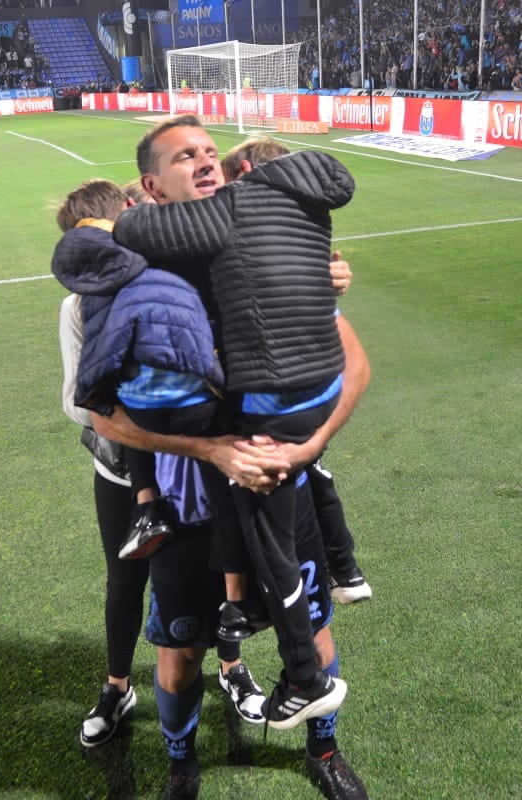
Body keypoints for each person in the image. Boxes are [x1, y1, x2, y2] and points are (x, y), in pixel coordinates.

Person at [93, 116, 371, 799]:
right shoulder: (124, 282)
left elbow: (357, 365)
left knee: (309, 626)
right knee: (182, 649)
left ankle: (324, 749)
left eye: (212, 151)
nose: (208, 162)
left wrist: (306, 448)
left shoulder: (276, 257)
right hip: (185, 506)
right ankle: (183, 763)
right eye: (187, 157)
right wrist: (211, 449)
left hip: (283, 478)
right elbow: (104, 416)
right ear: (152, 187)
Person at [56, 180, 268, 744]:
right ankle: (118, 685)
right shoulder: (78, 304)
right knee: (125, 581)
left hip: (194, 472)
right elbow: (86, 410)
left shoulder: (187, 283)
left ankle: (229, 666)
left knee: (217, 572)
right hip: (124, 474)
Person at [219, 139, 374, 608]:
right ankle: (343, 572)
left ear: (244, 171)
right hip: (308, 386)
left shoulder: (249, 221)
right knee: (311, 466)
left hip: (279, 391)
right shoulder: (304, 208)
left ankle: (260, 609)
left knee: (269, 489)